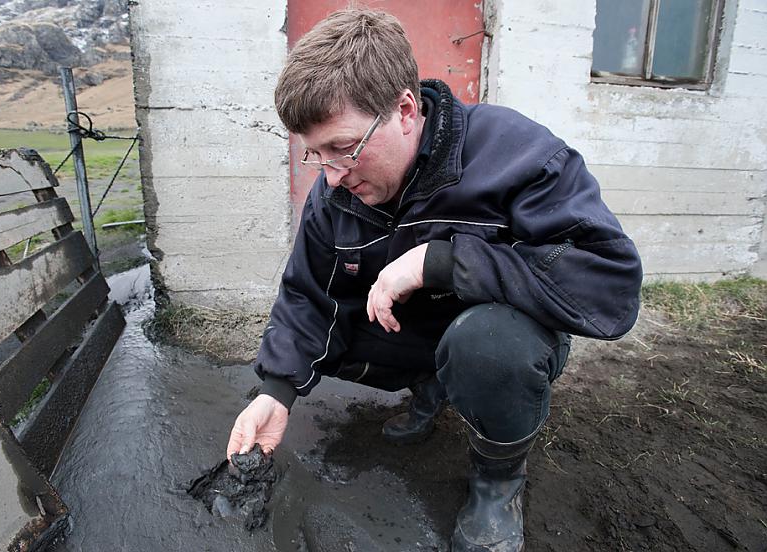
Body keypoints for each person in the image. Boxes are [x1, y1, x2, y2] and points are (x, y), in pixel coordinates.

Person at [227, 8, 642, 551]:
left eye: (344, 148)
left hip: (501, 334)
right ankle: (432, 384)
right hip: (417, 331)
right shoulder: (334, 196)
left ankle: (497, 483)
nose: (331, 175)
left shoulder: (517, 156)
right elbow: (309, 295)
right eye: (315, 153)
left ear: (404, 109)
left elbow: (608, 287)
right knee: (333, 335)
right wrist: (276, 391)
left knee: (488, 345)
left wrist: (441, 262)